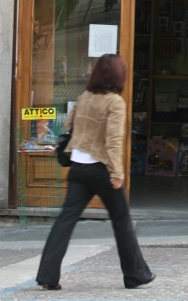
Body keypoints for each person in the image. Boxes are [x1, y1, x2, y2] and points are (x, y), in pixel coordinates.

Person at [36, 54, 154, 292]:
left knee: (66, 220)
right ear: (120, 76)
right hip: (101, 169)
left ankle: (47, 275)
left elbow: (69, 126)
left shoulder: (84, 96)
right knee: (122, 221)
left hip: (78, 167)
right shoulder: (115, 102)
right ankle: (135, 275)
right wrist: (117, 172)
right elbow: (113, 141)